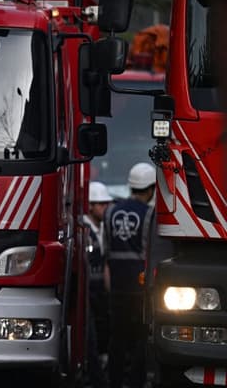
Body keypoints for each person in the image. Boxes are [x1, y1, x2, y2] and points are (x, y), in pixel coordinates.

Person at [103, 162, 156, 388]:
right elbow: (150, 251)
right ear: (152, 188)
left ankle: (114, 381)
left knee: (118, 337)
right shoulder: (149, 215)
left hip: (116, 286)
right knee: (141, 338)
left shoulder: (111, 212)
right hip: (140, 288)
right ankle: (136, 382)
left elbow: (107, 252)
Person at [82, 181, 113, 388]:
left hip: (100, 292)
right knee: (89, 337)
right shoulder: (83, 229)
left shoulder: (102, 228)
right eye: (101, 204)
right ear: (90, 205)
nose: (105, 208)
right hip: (85, 292)